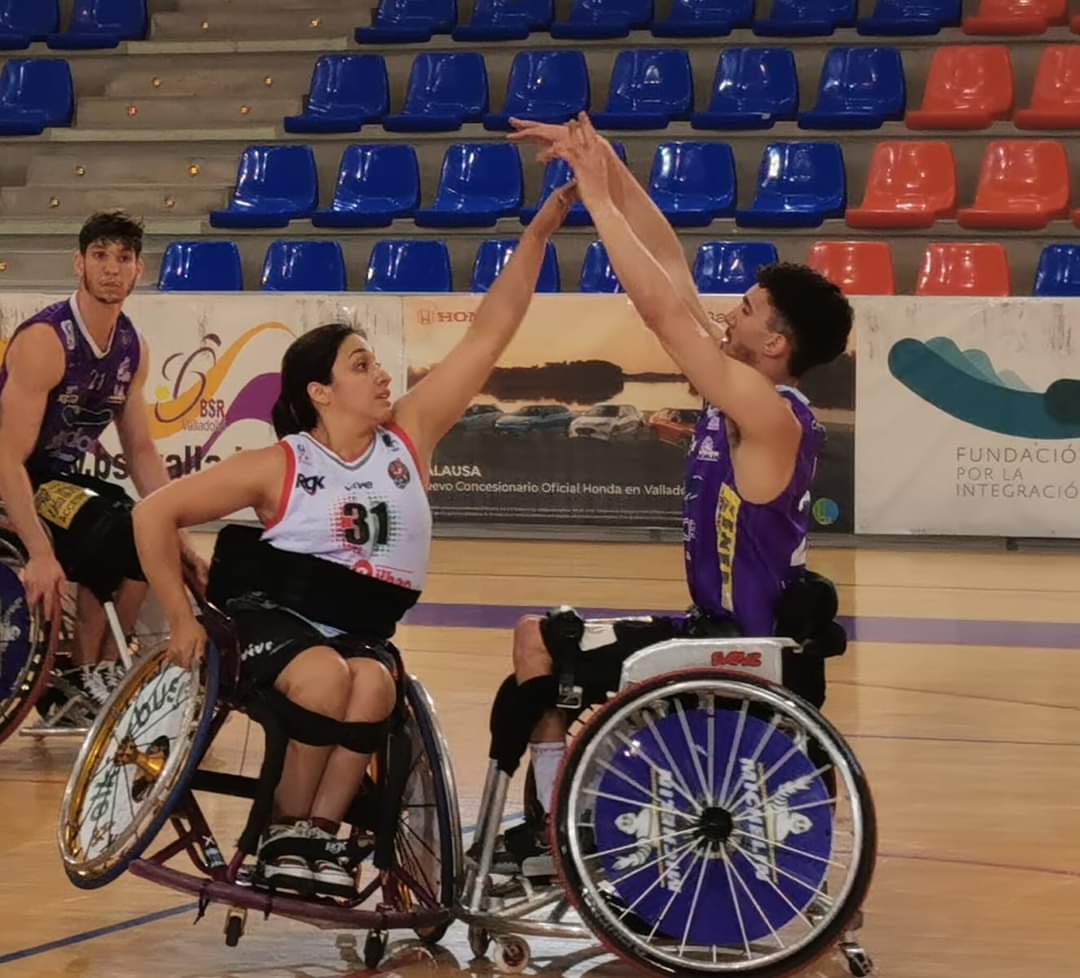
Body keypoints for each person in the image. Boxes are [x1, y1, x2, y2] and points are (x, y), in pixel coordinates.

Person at [131, 184, 577, 900]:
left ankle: (322, 837)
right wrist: (180, 619)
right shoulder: (281, 462)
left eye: (377, 362)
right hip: (280, 620)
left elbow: (489, 332)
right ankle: (285, 828)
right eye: (362, 365)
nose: (381, 375)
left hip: (361, 629)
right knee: (324, 679)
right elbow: (151, 514)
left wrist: (539, 234)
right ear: (321, 391)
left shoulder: (409, 434)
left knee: (371, 685)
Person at [489, 114, 854, 869]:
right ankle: (558, 822)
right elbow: (669, 262)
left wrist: (591, 193)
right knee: (540, 639)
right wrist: (607, 161)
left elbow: (661, 310)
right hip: (713, 628)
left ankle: (556, 832)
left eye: (746, 309)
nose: (728, 312)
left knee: (537, 642)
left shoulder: (769, 411)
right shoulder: (744, 393)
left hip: (733, 649)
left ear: (776, 344)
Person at [0, 211, 206, 718]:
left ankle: (102, 671)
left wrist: (181, 539)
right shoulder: (46, 340)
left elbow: (140, 452)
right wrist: (39, 552)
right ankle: (87, 675)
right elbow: (6, 455)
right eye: (100, 256)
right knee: (111, 536)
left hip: (51, 477)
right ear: (79, 264)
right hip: (14, 473)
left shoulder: (131, 349)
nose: (112, 268)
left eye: (123, 258)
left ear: (139, 271)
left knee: (146, 527)